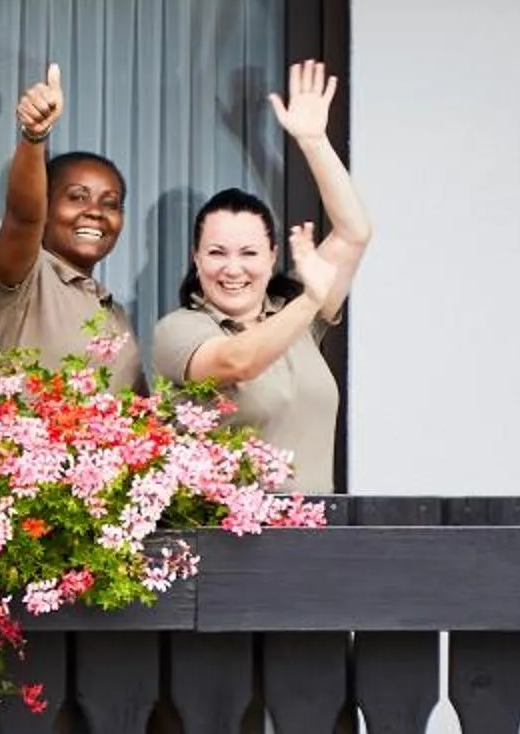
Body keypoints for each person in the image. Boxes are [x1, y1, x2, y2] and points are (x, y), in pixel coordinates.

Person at [147, 62, 372, 495]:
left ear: (272, 258)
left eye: (249, 253)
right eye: (217, 253)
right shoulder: (179, 330)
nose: (233, 268)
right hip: (232, 551)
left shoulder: (293, 316)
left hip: (314, 540)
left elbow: (353, 232)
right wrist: (310, 301)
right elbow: (238, 361)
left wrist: (313, 142)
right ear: (196, 259)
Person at [0, 61, 139, 398]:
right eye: (77, 197)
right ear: (46, 205)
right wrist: (34, 136)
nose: (95, 212)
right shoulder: (26, 276)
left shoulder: (112, 310)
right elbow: (23, 216)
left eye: (110, 203)